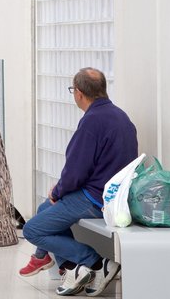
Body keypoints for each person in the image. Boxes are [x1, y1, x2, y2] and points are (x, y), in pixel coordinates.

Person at [19, 67, 137, 297]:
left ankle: (94, 263)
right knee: (46, 208)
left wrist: (59, 191)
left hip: (95, 199)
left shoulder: (91, 122)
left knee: (32, 229)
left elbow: (76, 171)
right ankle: (65, 267)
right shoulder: (121, 117)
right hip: (114, 196)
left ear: (79, 93)